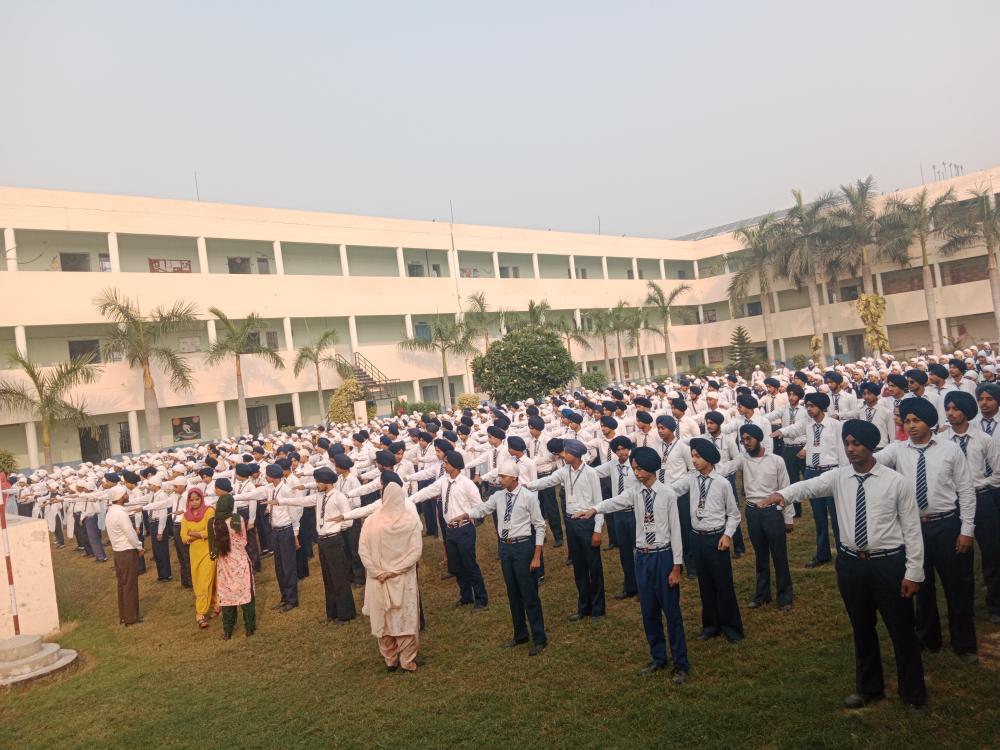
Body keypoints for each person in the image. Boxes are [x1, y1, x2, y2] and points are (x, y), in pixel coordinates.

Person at [763, 419, 927, 714]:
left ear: (870, 446)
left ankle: (913, 693)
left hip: (888, 564)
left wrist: (914, 572)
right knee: (862, 627)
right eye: (847, 443)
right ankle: (869, 688)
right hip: (851, 564)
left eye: (856, 443)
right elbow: (810, 486)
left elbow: (912, 531)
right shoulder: (840, 477)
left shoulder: (896, 482)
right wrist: (783, 495)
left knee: (901, 629)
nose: (850, 449)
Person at [875, 398, 978, 664]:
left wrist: (966, 529)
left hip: (946, 525)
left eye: (916, 420)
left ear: (929, 422)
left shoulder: (950, 450)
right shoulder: (897, 450)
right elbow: (871, 462)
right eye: (907, 421)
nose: (911, 426)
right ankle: (928, 637)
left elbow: (966, 490)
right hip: (913, 528)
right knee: (921, 583)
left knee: (957, 586)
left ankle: (964, 643)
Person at [575, 446, 688, 684]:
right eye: (634, 469)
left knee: (671, 613)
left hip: (663, 556)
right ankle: (658, 657)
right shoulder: (635, 492)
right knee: (649, 611)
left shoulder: (667, 494)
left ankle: (681, 663)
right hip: (643, 558)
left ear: (650, 468)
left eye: (638, 469)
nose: (635, 473)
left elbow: (676, 532)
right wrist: (594, 509)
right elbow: (615, 502)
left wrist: (677, 566)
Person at [670, 438, 743, 643]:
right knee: (705, 585)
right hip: (697, 538)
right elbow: (673, 489)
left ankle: (732, 628)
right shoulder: (691, 479)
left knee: (723, 585)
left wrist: (727, 535)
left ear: (709, 459)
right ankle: (711, 626)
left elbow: (734, 514)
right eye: (692, 456)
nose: (693, 460)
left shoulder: (722, 483)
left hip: (716, 538)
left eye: (697, 456)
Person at [525, 439, 606, 623]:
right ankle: (583, 606)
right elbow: (547, 481)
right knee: (579, 567)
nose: (562, 455)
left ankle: (598, 609)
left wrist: (597, 530)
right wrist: (528, 485)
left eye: (566, 452)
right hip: (571, 523)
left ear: (575, 454)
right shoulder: (564, 471)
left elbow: (599, 503)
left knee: (593, 567)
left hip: (587, 522)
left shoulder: (591, 473)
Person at [939, 390, 1000, 624]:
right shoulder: (942, 441)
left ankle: (995, 604)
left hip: (981, 499)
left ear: (966, 411)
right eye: (948, 408)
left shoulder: (983, 439)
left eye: (955, 409)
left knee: (992, 553)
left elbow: (998, 472)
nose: (950, 413)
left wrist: (980, 485)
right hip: (954, 502)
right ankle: (964, 608)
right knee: (960, 555)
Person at [719, 424, 794, 611]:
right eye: (743, 440)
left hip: (772, 512)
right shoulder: (743, 459)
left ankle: (785, 597)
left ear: (758, 438)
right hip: (752, 512)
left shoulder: (776, 460)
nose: (746, 443)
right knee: (760, 556)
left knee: (779, 556)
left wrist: (788, 518)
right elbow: (725, 468)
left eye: (748, 439)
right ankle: (762, 595)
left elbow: (786, 489)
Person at [772, 392, 847, 568]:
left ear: (821, 406)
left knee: (837, 516)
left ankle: (843, 554)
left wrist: (843, 473)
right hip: (812, 471)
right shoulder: (808, 424)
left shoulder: (836, 425)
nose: (809, 409)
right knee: (819, 517)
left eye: (812, 406)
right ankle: (822, 554)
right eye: (807, 406)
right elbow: (794, 429)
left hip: (831, 471)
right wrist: (781, 431)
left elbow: (842, 452)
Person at [358, 480, 423, 673]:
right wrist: (394, 571)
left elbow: (362, 550)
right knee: (404, 619)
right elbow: (415, 552)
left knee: (384, 619)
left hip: (378, 579)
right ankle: (407, 660)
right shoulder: (410, 521)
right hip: (401, 578)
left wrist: (376, 571)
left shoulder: (371, 521)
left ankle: (390, 660)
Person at [210, 493, 256, 639]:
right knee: (246, 595)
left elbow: (213, 545)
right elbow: (244, 541)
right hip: (240, 561)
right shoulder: (237, 519)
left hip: (224, 564)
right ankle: (249, 628)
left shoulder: (213, 522)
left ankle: (228, 630)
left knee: (227, 597)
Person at [105, 484, 144, 626]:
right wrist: (139, 547)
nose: (127, 496)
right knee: (130, 584)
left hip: (117, 551)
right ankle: (131, 617)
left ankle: (123, 615)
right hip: (127, 551)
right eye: (125, 494)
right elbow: (130, 533)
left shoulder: (111, 512)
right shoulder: (121, 514)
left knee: (122, 584)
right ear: (121, 497)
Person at [180, 487, 217, 628]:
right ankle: (216, 604)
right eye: (192, 500)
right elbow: (183, 537)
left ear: (202, 498)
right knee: (200, 581)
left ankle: (200, 613)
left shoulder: (209, 511)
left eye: (197, 499)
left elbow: (210, 532)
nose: (195, 502)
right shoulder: (185, 516)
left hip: (208, 551)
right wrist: (200, 534)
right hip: (194, 553)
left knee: (205, 581)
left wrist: (193, 533)